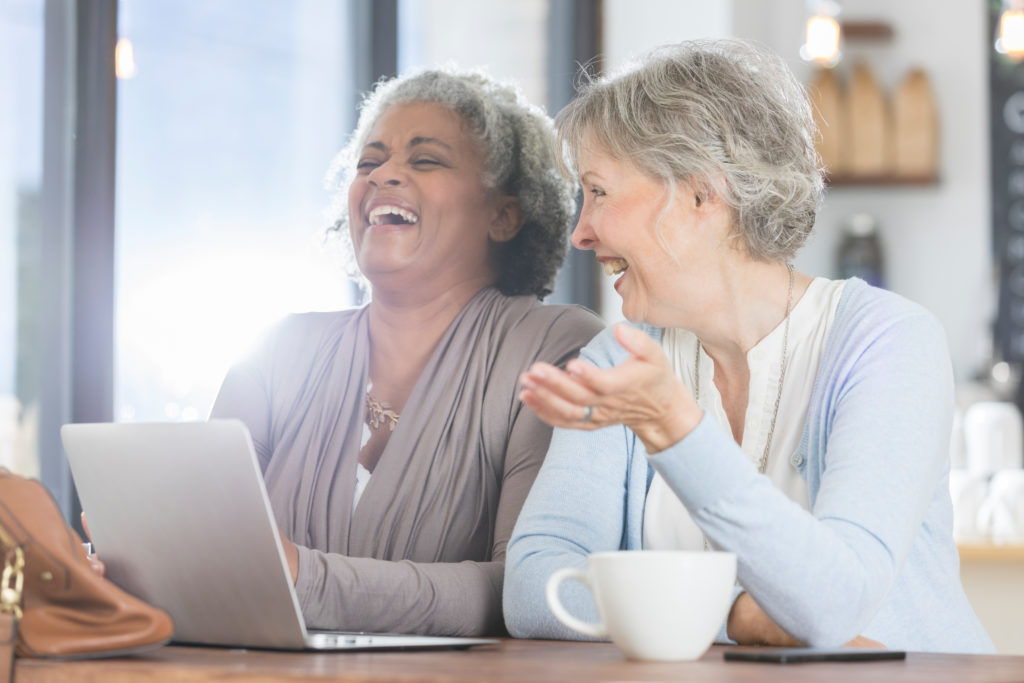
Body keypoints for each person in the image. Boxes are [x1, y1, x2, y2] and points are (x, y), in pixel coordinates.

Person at [503, 39, 994, 653]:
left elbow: (834, 605)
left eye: (599, 192)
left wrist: (675, 428)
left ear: (703, 194)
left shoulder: (889, 342)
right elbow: (533, 587)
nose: (580, 232)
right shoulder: (618, 361)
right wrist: (736, 619)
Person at [208, 68, 603, 636]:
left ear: (504, 214)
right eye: (368, 163)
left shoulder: (555, 347)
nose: (383, 175)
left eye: (426, 161)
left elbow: (529, 589)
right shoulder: (279, 349)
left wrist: (302, 577)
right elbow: (214, 556)